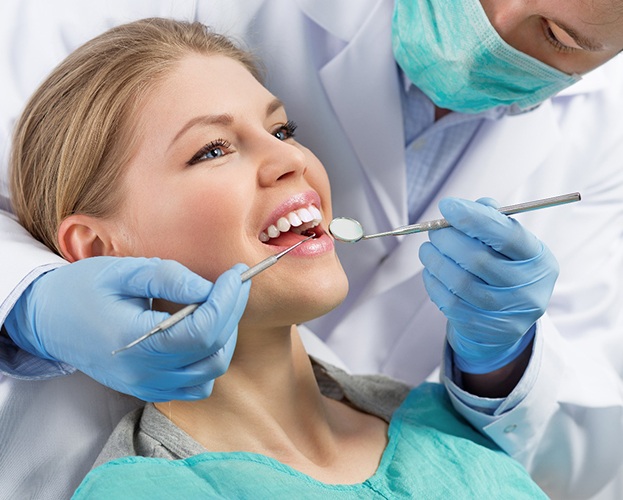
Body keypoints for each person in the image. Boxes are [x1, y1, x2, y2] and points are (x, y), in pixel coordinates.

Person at [1, 1, 622, 498]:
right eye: (211, 149)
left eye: (282, 129)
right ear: (94, 248)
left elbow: (591, 447)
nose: (290, 158)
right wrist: (31, 300)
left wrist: (504, 362)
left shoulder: (450, 443)